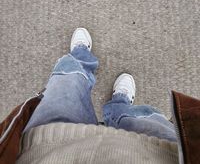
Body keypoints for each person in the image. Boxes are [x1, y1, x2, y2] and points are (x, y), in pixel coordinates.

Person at [1, 28, 199, 164]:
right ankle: (119, 105)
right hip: (159, 153)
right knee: (141, 117)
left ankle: (80, 58)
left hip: (44, 146)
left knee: (66, 80)